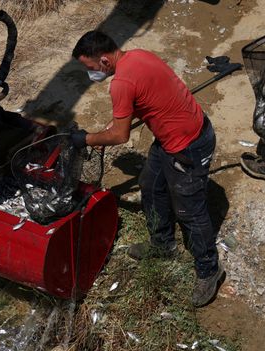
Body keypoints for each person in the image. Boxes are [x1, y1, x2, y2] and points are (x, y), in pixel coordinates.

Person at [69, 30, 225, 307]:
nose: (89, 72)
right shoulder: (138, 56)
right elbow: (138, 104)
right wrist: (111, 127)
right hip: (171, 138)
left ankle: (209, 270)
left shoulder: (121, 83)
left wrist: (86, 139)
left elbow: (120, 136)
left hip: (188, 145)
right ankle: (162, 244)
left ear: (104, 60)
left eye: (89, 66)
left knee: (190, 211)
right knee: (151, 184)